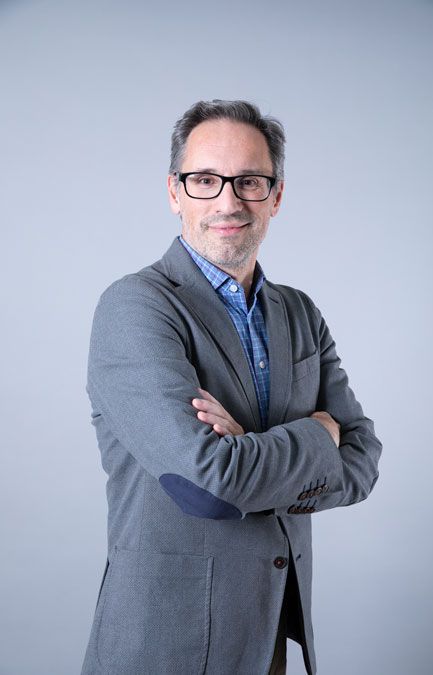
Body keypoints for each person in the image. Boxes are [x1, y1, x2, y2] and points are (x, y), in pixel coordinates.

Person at [80, 99, 382, 675]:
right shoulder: (135, 307)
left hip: (270, 637)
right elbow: (209, 484)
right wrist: (319, 434)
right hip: (165, 645)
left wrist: (249, 457)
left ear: (276, 195)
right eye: (205, 180)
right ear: (175, 193)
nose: (228, 201)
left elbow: (364, 461)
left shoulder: (299, 312)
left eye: (249, 181)